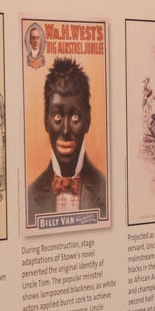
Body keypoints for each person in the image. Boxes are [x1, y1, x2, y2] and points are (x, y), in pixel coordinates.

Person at [27, 57, 107, 220]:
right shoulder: (29, 195)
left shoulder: (107, 189)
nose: (65, 130)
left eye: (75, 118)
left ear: (88, 121)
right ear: (45, 120)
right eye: (57, 117)